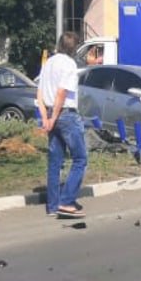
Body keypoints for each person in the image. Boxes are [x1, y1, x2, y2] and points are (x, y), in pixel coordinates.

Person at [36, 31, 88, 219]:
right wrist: (54, 117)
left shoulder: (48, 63)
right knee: (80, 159)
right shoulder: (69, 64)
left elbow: (40, 92)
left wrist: (45, 117)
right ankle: (66, 202)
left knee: (55, 162)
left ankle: (53, 205)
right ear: (74, 49)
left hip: (50, 111)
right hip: (65, 114)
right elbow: (61, 93)